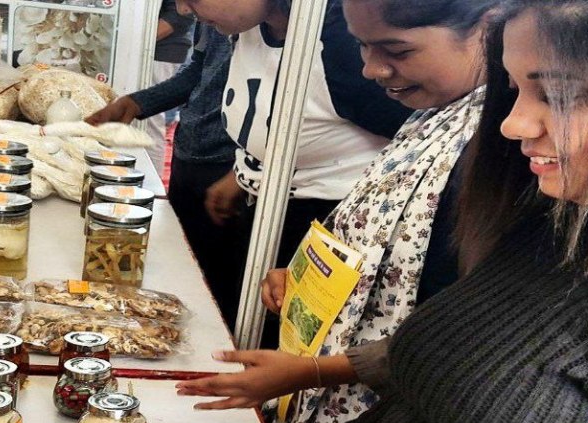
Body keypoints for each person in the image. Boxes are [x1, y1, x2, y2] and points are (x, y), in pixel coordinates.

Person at [180, 0, 588, 423]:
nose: (513, 124)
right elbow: (429, 393)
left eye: (558, 95)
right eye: (513, 89)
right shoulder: (547, 229)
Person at [177, 0, 498, 423]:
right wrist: (303, 277)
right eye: (362, 47)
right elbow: (375, 228)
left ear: (487, 27)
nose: (370, 69)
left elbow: (449, 335)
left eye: (396, 50)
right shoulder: (433, 115)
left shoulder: (495, 148)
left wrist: (313, 374)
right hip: (340, 407)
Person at [177, 0, 413, 331]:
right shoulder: (247, 28)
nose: (183, 10)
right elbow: (279, 118)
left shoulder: (342, 42)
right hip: (264, 211)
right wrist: (247, 171)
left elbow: (411, 139)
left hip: (328, 230)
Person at [87, 25, 241, 320]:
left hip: (231, 174)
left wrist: (245, 171)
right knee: (181, 270)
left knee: (218, 293)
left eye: (194, 3)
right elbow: (198, 70)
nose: (183, 11)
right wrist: (137, 102)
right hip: (190, 154)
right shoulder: (215, 22)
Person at [145, 0, 196, 175]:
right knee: (151, 122)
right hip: (157, 49)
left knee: (151, 123)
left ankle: (151, 182)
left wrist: (138, 40)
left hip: (159, 51)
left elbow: (180, 15)